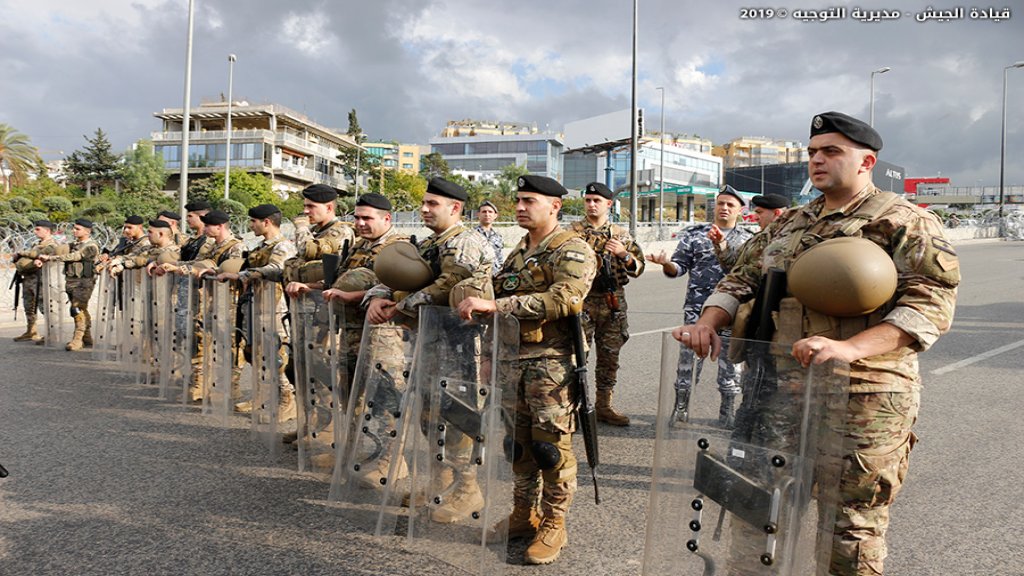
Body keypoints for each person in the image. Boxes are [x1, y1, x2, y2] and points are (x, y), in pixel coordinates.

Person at [673, 111, 959, 575]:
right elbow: (741, 276)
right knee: (758, 513)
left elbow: (930, 305)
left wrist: (852, 348)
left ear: (867, 162)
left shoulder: (902, 220)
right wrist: (709, 320)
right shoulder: (789, 223)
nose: (817, 161)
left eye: (831, 152)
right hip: (778, 391)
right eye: (811, 153)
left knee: (850, 528)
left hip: (863, 396)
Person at [457, 174, 596, 565]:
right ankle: (523, 512)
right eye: (517, 200)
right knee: (516, 444)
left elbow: (565, 300)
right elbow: (497, 295)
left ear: (554, 206)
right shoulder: (519, 251)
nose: (519, 206)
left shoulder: (572, 249)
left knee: (550, 448)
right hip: (509, 362)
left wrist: (496, 307)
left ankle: (554, 523)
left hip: (550, 365)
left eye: (529, 200)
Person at [366, 177, 494, 520]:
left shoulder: (465, 242)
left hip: (461, 346)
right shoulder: (428, 244)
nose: (424, 209)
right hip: (429, 342)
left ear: (455, 208)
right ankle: (441, 482)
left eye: (432, 204)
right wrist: (377, 296)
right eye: (424, 203)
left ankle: (468, 489)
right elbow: (392, 277)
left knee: (458, 416)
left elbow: (447, 285)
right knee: (429, 414)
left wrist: (399, 305)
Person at [646, 186, 753, 427]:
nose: (724, 208)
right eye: (720, 203)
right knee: (688, 363)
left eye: (730, 205)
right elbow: (679, 268)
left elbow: (749, 275)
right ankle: (680, 408)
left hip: (732, 312)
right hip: (697, 311)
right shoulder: (695, 235)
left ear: (740, 210)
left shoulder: (748, 239)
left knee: (730, 366)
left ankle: (727, 412)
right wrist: (666, 264)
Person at [570, 181, 644, 426]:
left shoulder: (620, 234)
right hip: (582, 301)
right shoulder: (572, 233)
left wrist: (623, 254)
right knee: (576, 356)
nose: (591, 205)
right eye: (588, 200)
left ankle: (603, 406)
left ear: (608, 204)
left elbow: (638, 268)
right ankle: (574, 408)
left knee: (609, 357)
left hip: (612, 302)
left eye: (597, 201)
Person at [218, 204, 297, 419]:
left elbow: (277, 269)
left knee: (277, 356)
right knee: (257, 354)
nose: (251, 225)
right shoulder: (261, 246)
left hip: (275, 309)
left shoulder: (283, 246)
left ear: (267, 222)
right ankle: (262, 397)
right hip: (256, 306)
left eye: (253, 221)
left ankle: (287, 402)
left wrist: (244, 275)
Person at [38, 218, 100, 351]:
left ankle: (77, 339)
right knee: (81, 309)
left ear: (88, 231)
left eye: (78, 229)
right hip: (71, 281)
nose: (74, 231)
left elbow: (75, 256)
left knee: (77, 309)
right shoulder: (73, 244)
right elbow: (60, 250)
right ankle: (87, 337)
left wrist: (51, 258)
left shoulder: (91, 246)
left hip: (84, 282)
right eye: (74, 228)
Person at [11, 220, 61, 343]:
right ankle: (31, 331)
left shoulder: (52, 245)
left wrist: (20, 253)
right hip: (29, 278)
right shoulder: (37, 243)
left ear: (47, 231)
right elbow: (32, 255)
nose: (35, 231)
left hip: (41, 280)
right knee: (29, 306)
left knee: (44, 307)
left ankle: (52, 334)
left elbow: (36, 254)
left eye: (38, 229)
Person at [475, 200, 504, 275]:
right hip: (478, 277)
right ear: (478, 214)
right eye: (484, 212)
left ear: (495, 215)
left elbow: (500, 257)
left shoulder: (498, 236)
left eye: (490, 212)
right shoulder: (471, 235)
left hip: (495, 275)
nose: (487, 214)